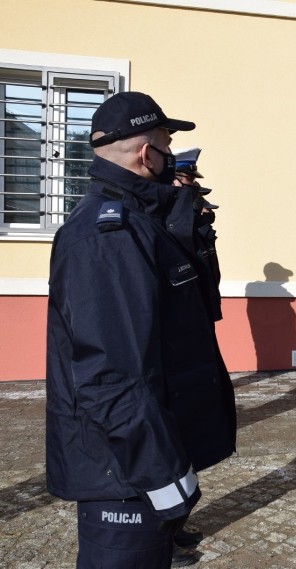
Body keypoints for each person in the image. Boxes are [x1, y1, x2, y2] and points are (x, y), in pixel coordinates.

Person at [45, 92, 237, 569]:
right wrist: (160, 473)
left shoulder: (141, 224)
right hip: (124, 470)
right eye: (167, 143)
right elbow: (111, 376)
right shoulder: (108, 235)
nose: (171, 155)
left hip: (140, 454)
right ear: (147, 154)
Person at [174, 147, 223, 323]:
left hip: (201, 310)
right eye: (190, 179)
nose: (194, 186)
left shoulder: (196, 227)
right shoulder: (171, 223)